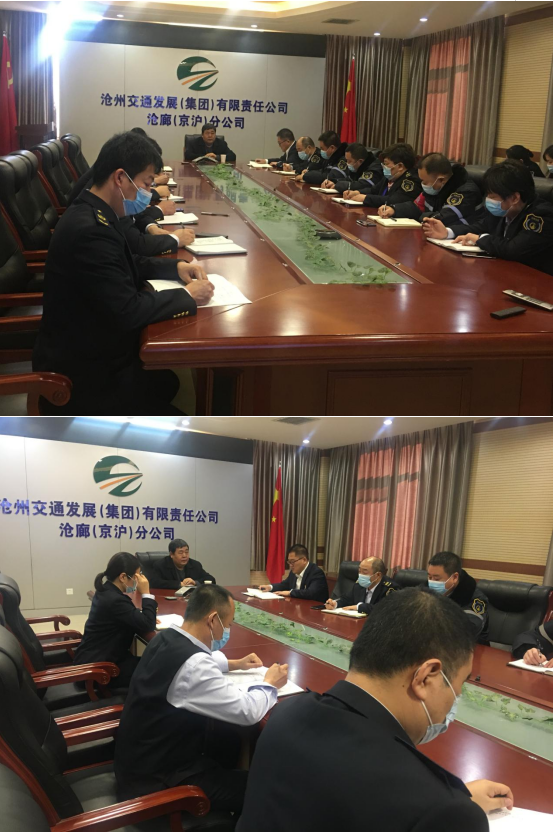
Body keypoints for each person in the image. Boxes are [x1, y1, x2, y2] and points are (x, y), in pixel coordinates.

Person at [237, 588, 513, 832]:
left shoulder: (285, 713)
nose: (457, 697)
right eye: (459, 684)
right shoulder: (442, 812)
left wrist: (449, 797)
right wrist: (452, 804)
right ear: (426, 677)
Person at [33, 131, 214, 415]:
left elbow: (127, 262)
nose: (147, 192)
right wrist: (187, 296)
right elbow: (127, 310)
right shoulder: (90, 230)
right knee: (180, 419)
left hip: (97, 348)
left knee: (166, 383)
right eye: (146, 183)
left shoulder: (97, 210)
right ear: (120, 178)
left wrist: (175, 267)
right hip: (84, 375)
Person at [114, 584, 288, 812]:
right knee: (263, 789)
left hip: (139, 762)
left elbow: (191, 663)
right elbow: (247, 712)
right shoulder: (194, 665)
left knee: (228, 739)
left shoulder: (165, 637)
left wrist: (235, 664)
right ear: (213, 620)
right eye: (228, 625)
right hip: (157, 784)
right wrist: (270, 684)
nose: (227, 632)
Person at [422, 160, 553, 276]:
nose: (488, 200)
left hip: (536, 283)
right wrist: (447, 232)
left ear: (514, 198)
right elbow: (481, 226)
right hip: (504, 273)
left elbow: (513, 250)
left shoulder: (541, 216)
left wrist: (480, 239)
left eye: (492, 196)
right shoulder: (505, 210)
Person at [73, 552, 157, 687]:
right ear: (123, 577)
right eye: (137, 576)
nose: (139, 581)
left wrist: (138, 615)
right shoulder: (115, 600)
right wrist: (146, 593)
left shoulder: (105, 590)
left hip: (93, 659)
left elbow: (124, 615)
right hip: (100, 671)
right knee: (157, 669)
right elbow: (148, 624)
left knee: (150, 663)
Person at [379, 152, 483, 225]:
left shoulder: (466, 192)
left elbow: (442, 219)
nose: (423, 184)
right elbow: (416, 207)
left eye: (424, 181)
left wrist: (421, 216)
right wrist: (394, 209)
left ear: (441, 180)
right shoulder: (435, 187)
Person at [427, 551, 489, 645]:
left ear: (455, 577)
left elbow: (467, 631)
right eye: (429, 577)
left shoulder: (475, 598)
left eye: (437, 579)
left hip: (470, 647)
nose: (431, 582)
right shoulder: (425, 589)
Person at [344, 143, 422, 208]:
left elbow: (393, 201)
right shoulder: (391, 176)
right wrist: (357, 192)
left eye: (386, 164)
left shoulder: (411, 181)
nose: (384, 167)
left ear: (400, 166)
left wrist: (366, 198)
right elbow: (373, 190)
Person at [325, 557, 399, 614]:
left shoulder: (390, 588)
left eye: (364, 572)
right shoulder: (359, 585)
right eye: (359, 571)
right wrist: (335, 604)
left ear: (378, 575)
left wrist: (359, 607)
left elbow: (384, 609)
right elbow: (347, 599)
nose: (360, 575)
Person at [259, 544, 329, 602]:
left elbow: (310, 593)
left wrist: (290, 593)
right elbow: (284, 585)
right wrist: (270, 587)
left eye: (292, 562)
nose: (290, 565)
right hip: (297, 606)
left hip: (314, 610)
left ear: (304, 560)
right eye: (289, 562)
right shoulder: (294, 572)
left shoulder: (316, 572)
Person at [147, 538, 216, 590]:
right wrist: (179, 584)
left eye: (186, 552)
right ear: (171, 554)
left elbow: (211, 579)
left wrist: (195, 582)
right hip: (169, 600)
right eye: (180, 552)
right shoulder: (160, 565)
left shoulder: (195, 565)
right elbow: (154, 582)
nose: (184, 555)